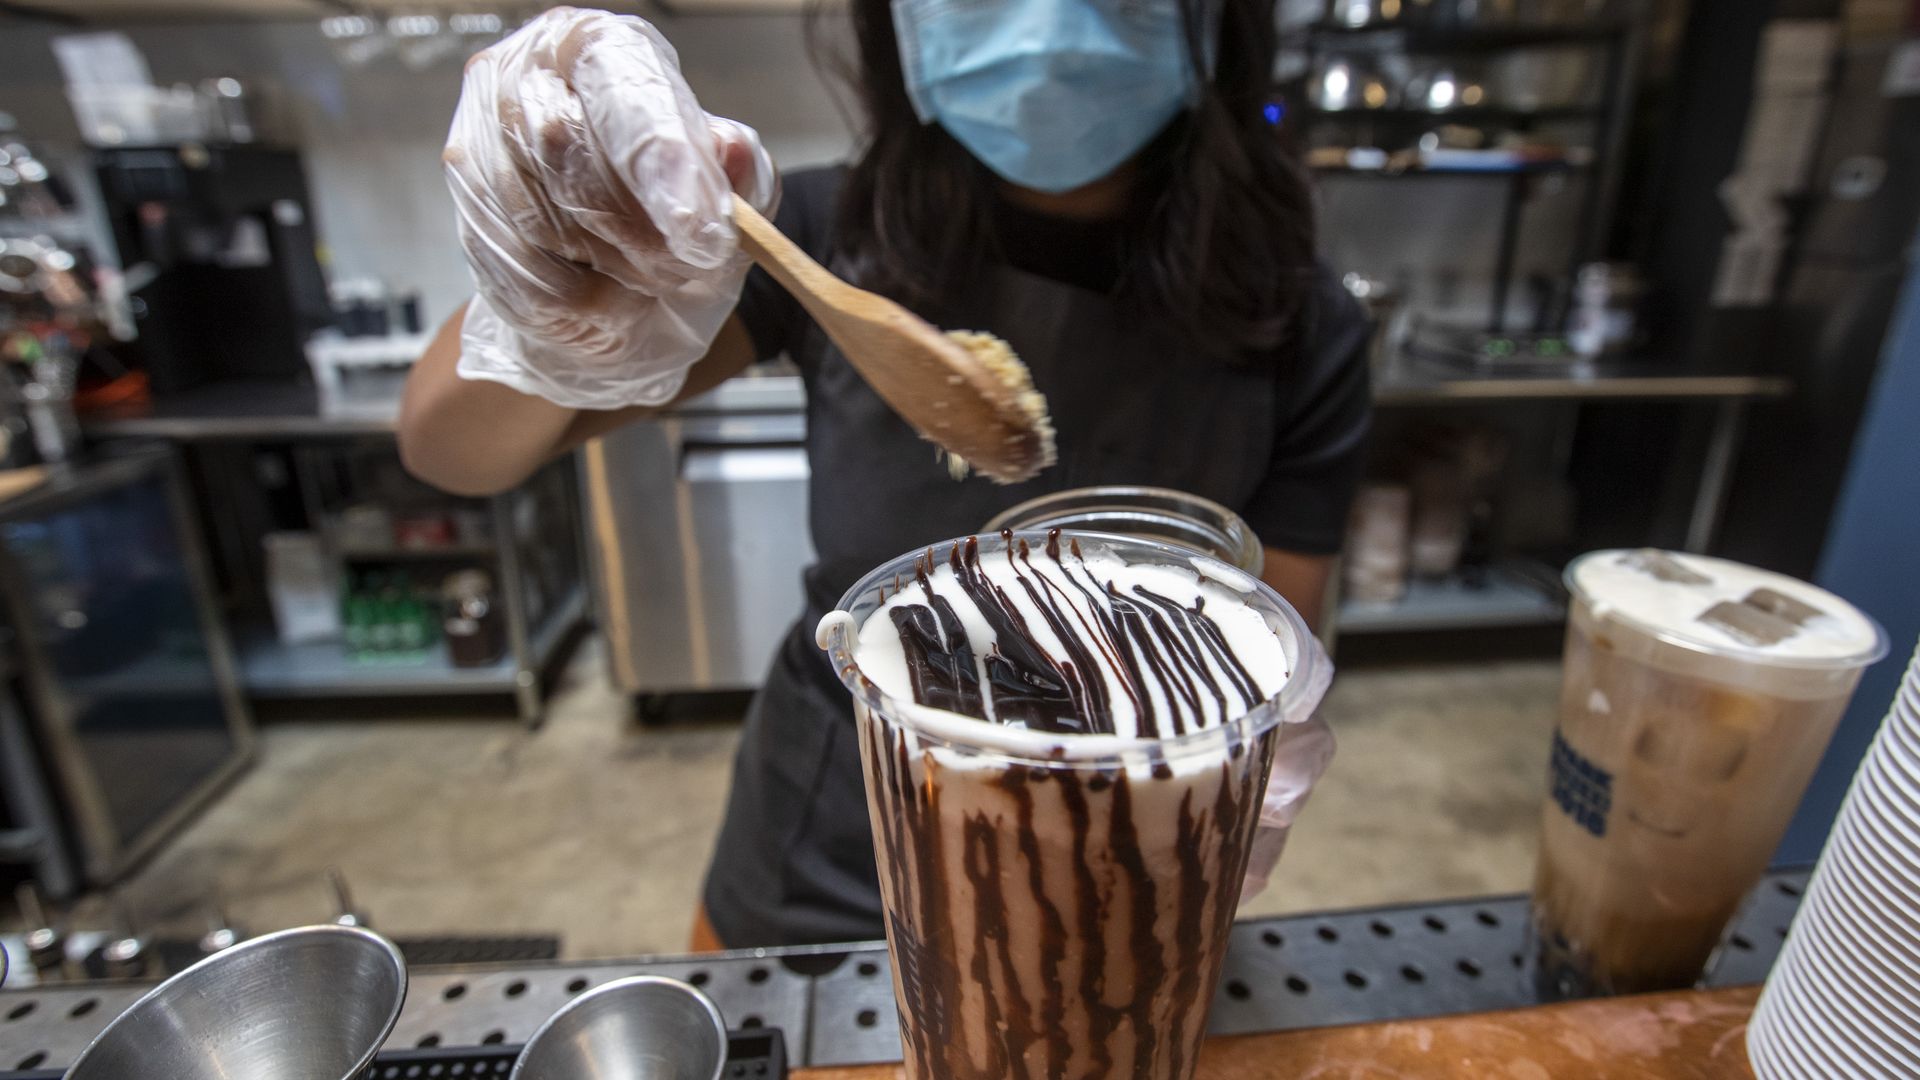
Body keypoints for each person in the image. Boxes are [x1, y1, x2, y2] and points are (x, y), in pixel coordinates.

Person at [400, 0, 1371, 950]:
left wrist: (1241, 769)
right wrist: (546, 301)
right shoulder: (819, 232)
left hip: (1120, 861)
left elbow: (1262, 643)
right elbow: (447, 448)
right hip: (828, 854)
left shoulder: (1301, 318)